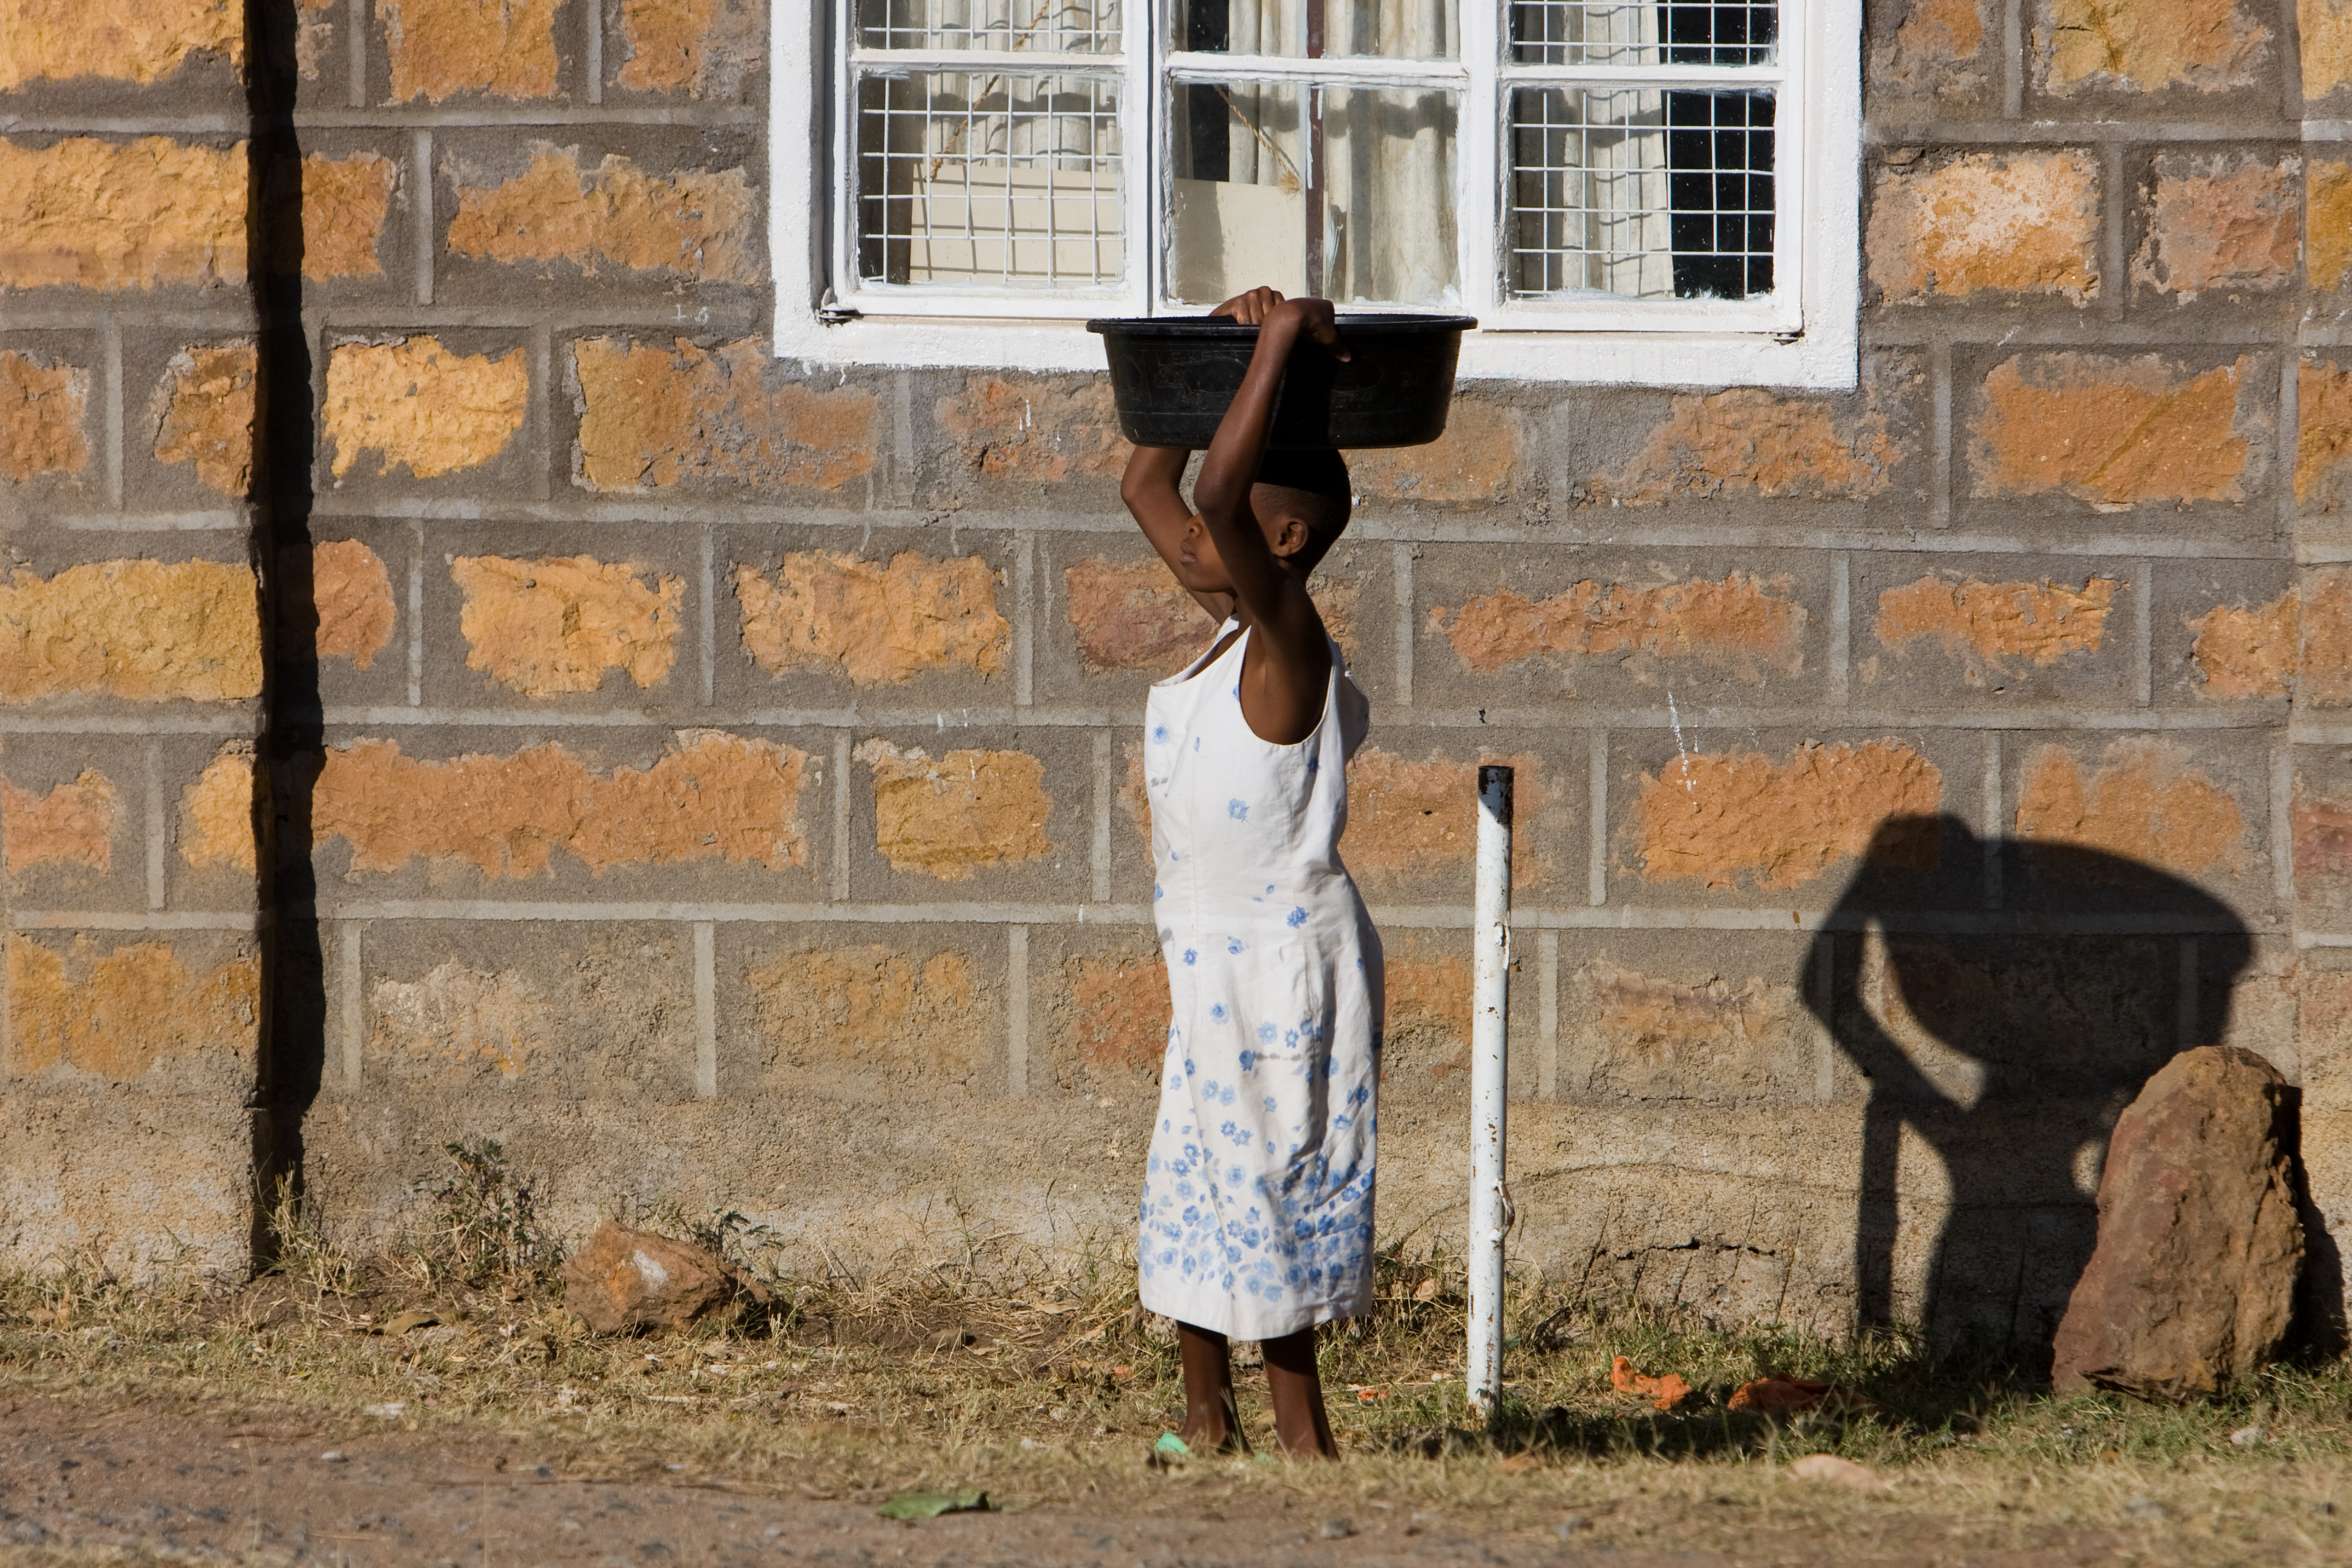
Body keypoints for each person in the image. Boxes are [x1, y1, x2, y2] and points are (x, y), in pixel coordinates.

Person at [1120, 287, 1383, 1460]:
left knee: (1267, 1171)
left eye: (1217, 533)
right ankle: (1202, 1414)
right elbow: (1149, 485)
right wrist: (1213, 361)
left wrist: (1274, 348)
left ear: (1281, 545)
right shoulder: (1230, 629)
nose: (1187, 537)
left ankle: (1302, 1431)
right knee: (1195, 1166)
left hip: (1279, 967)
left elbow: (1212, 497)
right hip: (1207, 959)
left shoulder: (1290, 645)